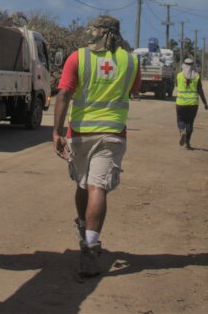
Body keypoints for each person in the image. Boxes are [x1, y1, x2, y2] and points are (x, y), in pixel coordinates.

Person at [52, 15, 141, 277]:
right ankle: (90, 245)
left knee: (84, 185)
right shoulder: (131, 60)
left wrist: (56, 131)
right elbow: (134, 91)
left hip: (80, 133)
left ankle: (85, 231)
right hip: (112, 134)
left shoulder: (77, 57)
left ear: (98, 32)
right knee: (96, 187)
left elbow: (64, 93)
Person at [174, 57, 208, 150]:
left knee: (180, 120)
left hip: (181, 103)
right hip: (193, 104)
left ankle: (182, 131)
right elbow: (200, 90)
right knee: (189, 123)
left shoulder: (179, 75)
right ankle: (187, 143)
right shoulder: (197, 76)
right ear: (193, 66)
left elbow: (176, 85)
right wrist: (205, 103)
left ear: (183, 65)